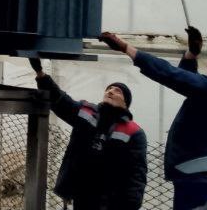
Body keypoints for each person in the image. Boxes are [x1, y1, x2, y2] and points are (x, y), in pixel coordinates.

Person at [100, 27, 207, 210]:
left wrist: (126, 47)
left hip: (201, 181)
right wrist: (191, 54)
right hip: (203, 179)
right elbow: (188, 82)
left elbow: (172, 75)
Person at [30, 58, 147, 210]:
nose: (110, 91)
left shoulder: (133, 132)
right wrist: (40, 74)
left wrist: (131, 205)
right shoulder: (87, 112)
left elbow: (137, 172)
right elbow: (61, 101)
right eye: (108, 89)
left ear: (126, 103)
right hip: (82, 194)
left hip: (111, 200)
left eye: (117, 91)